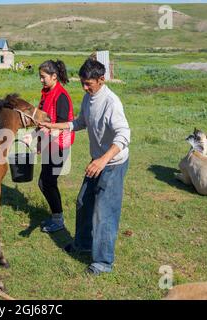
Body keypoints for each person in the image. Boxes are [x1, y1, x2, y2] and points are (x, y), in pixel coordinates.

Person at [40, 58, 130, 276]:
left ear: (101, 79)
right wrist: (54, 125)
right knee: (83, 201)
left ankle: (103, 262)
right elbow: (79, 122)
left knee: (104, 211)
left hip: (113, 163)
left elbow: (124, 135)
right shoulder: (89, 98)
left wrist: (102, 160)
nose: (84, 87)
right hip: (97, 160)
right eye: (82, 82)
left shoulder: (111, 102)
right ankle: (83, 244)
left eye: (88, 83)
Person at [25, 60, 75, 233]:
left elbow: (61, 126)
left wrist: (39, 138)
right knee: (45, 181)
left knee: (46, 182)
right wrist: (34, 137)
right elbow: (42, 121)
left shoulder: (61, 96)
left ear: (54, 76)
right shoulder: (46, 93)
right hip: (49, 144)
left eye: (43, 77)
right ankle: (56, 216)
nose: (41, 80)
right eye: (40, 76)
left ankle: (58, 220)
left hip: (59, 146)